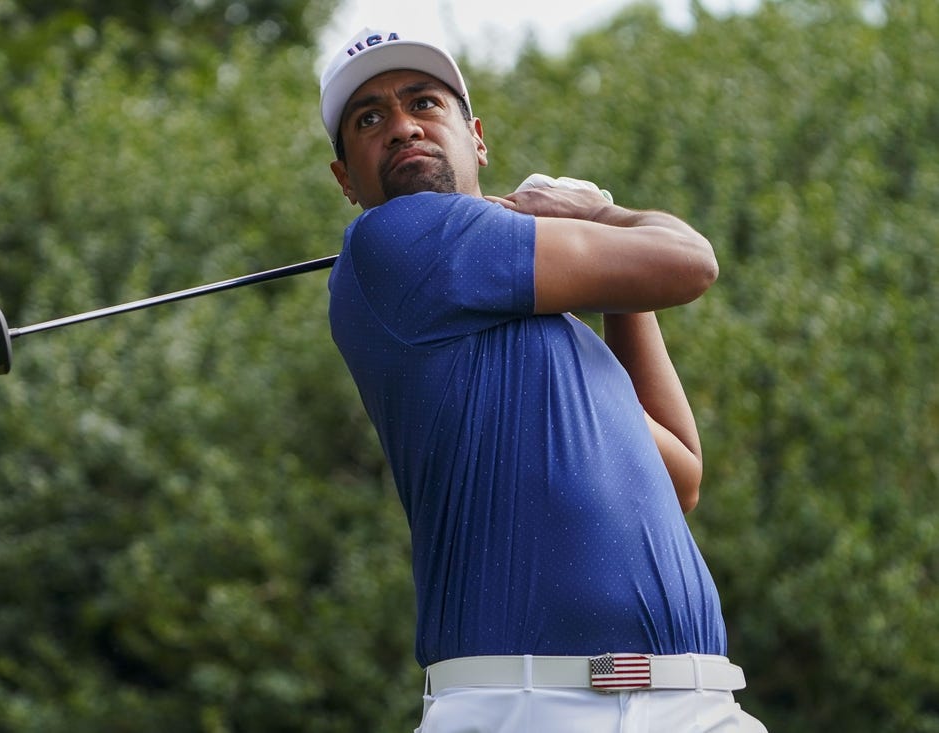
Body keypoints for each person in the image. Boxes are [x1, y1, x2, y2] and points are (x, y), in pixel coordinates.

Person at [318, 27, 767, 733]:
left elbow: (678, 474)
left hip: (697, 703)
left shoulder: (547, 329)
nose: (402, 125)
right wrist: (601, 216)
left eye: (423, 102)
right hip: (524, 705)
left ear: (477, 138)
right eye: (368, 119)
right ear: (347, 180)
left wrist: (615, 276)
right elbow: (690, 261)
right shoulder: (397, 242)